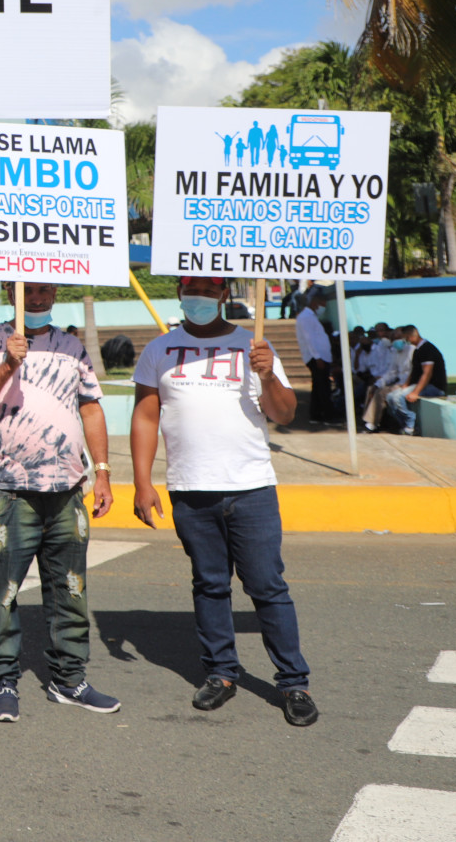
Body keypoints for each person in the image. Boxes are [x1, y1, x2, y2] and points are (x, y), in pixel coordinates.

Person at [130, 277, 318, 727]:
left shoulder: (253, 346)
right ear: (180, 291)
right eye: (191, 287)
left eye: (209, 288)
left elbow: (285, 412)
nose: (199, 295)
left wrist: (267, 374)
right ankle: (221, 673)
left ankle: (294, 683)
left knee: (267, 587)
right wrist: (141, 481)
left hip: (251, 489)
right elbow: (146, 416)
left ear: (224, 293)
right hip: (190, 490)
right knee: (210, 585)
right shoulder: (159, 350)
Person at [0, 282, 118, 723]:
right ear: (11, 290)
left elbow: (90, 408)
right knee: (2, 592)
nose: (37, 297)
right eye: (28, 289)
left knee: (71, 589)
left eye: (45, 289)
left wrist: (102, 471)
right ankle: (2, 680)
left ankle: (70, 680)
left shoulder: (72, 347)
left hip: (66, 491)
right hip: (7, 492)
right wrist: (9, 363)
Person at [384, 325, 447, 435]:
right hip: (420, 385)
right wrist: (406, 385)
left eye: (406, 338)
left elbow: (427, 374)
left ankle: (411, 424)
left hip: (433, 386)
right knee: (390, 397)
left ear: (411, 336)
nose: (406, 341)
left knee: (398, 397)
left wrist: (415, 392)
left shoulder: (427, 349)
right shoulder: (417, 350)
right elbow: (414, 371)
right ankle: (405, 424)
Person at [293, 288, 335, 425]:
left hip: (320, 357)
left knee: (318, 387)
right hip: (316, 358)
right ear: (315, 303)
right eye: (323, 304)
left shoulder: (310, 316)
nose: (323, 308)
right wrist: (317, 357)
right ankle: (327, 415)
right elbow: (309, 339)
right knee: (323, 388)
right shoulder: (306, 317)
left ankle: (316, 414)